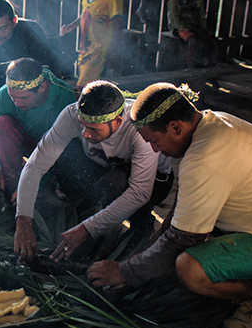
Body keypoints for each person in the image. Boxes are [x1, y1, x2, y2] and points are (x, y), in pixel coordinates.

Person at [87, 83, 252, 328]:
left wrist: (125, 271)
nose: (155, 150)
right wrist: (145, 254)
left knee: (189, 268)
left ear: (175, 127)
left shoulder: (204, 158)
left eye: (154, 141)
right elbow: (180, 213)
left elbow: (179, 241)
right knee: (181, 247)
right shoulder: (212, 124)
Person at [14, 80, 173, 264]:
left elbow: (140, 192)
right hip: (105, 164)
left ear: (118, 121)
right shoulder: (72, 115)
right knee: (63, 152)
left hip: (153, 182)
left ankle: (141, 226)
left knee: (115, 182)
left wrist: (87, 229)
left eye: (93, 129)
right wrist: (23, 220)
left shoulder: (138, 126)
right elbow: (35, 165)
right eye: (82, 125)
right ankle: (88, 210)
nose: (85, 134)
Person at [0, 58, 76, 202]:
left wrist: (33, 184)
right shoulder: (3, 95)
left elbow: (61, 146)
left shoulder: (63, 96)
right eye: (13, 97)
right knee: (1, 124)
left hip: (53, 149)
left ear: (41, 87)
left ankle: (45, 185)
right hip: (24, 144)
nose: (17, 103)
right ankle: (11, 187)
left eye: (24, 98)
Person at [0, 0, 65, 127]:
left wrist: (48, 108)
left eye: (2, 29)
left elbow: (49, 71)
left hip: (33, 97)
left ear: (14, 21)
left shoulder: (30, 30)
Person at [60, 0, 123, 87]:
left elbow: (117, 26)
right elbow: (86, 14)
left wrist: (114, 51)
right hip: (85, 49)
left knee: (83, 87)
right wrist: (71, 26)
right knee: (87, 86)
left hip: (99, 52)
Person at [167, 0, 218, 69]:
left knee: (214, 41)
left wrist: (203, 29)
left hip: (195, 27)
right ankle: (191, 71)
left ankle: (211, 72)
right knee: (193, 41)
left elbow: (201, 15)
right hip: (180, 28)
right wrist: (190, 29)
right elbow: (174, 19)